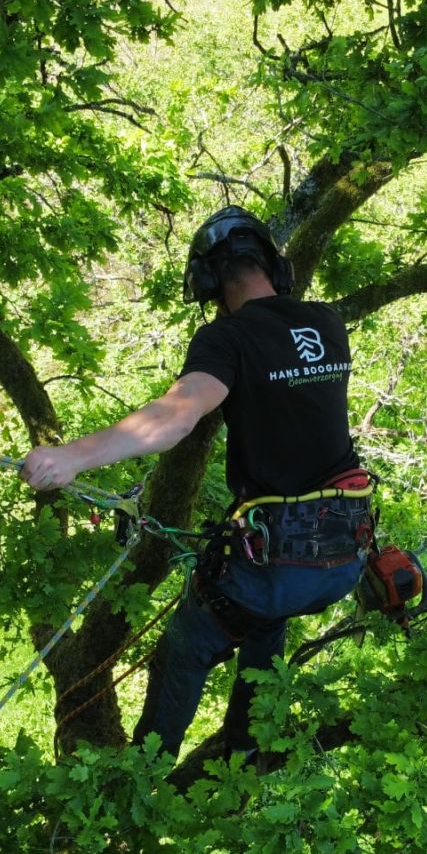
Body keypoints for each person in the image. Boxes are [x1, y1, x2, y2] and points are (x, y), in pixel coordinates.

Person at [21, 206, 373, 759]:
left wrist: (73, 457)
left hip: (276, 562)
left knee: (186, 648)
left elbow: (176, 415)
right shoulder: (326, 323)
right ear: (273, 266)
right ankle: (245, 756)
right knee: (265, 622)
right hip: (341, 552)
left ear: (207, 284)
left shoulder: (226, 338)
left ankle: (143, 771)